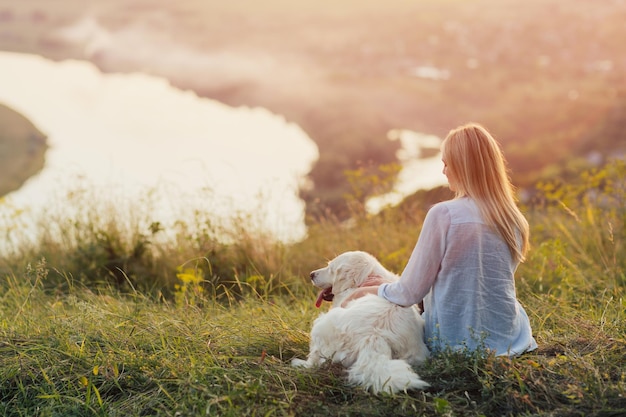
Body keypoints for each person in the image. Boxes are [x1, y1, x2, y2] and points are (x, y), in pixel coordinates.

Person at [346, 122, 537, 356]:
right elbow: (478, 285)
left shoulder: (444, 214)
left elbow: (408, 294)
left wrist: (365, 291)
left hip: (452, 339)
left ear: (462, 166)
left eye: (446, 163)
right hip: (509, 337)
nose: (443, 171)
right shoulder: (514, 219)